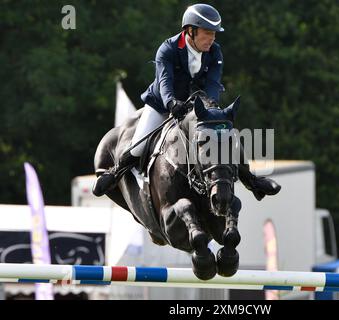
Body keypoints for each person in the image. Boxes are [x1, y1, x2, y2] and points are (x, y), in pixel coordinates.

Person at [93, 3, 281, 200]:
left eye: (214, 34)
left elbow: (213, 84)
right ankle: (115, 172)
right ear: (190, 31)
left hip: (196, 108)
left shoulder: (215, 52)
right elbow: (165, 82)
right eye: (207, 33)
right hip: (163, 105)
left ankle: (252, 181)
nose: (212, 38)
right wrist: (172, 103)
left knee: (226, 135)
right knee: (140, 145)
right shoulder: (168, 49)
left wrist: (210, 108)